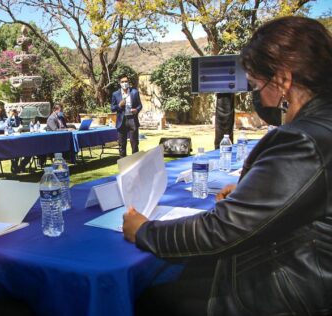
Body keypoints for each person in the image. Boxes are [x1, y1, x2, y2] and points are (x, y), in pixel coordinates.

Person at [123, 17, 332, 315]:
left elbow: (221, 230)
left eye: (258, 85)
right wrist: (253, 192)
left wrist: (144, 231)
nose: (257, 95)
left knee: (149, 298)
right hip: (307, 275)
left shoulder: (303, 140)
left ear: (284, 81)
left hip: (291, 294)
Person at [110, 75, 142, 157]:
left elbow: (140, 105)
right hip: (121, 121)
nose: (124, 83)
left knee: (134, 144)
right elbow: (112, 108)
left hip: (132, 120)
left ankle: (136, 164)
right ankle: (123, 166)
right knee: (122, 145)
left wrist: (136, 110)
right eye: (122, 82)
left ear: (128, 82)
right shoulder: (115, 94)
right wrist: (119, 105)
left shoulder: (134, 92)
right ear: (119, 83)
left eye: (126, 81)